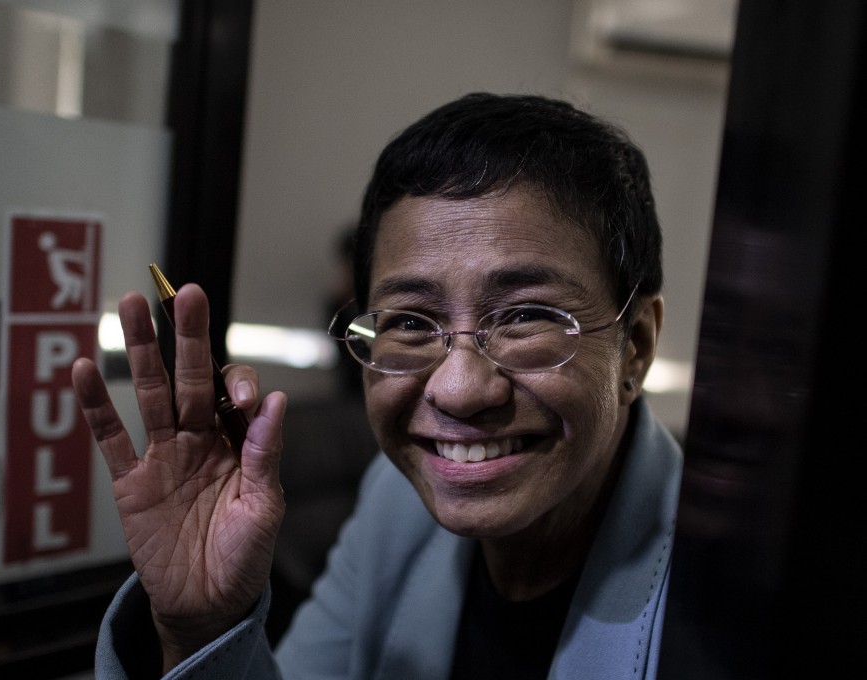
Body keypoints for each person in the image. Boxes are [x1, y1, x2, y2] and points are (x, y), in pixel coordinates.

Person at [72, 92, 682, 679]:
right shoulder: (396, 508)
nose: (461, 389)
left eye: (525, 317)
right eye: (412, 323)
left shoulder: (735, 599)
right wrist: (202, 631)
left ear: (637, 347)